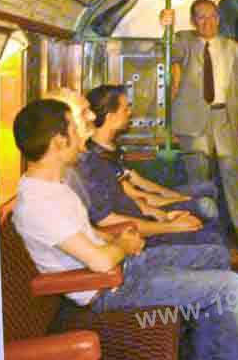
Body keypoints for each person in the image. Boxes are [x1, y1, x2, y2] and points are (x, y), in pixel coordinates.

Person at [12, 99, 238, 360]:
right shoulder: (40, 203)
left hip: (122, 267)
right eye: (72, 127)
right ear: (58, 141)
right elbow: (101, 261)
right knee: (230, 287)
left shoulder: (52, 186)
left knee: (216, 256)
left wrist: (120, 238)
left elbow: (85, 235)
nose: (81, 131)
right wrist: (123, 245)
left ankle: (205, 349)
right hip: (107, 290)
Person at [46, 87, 225, 248]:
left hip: (139, 223)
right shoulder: (77, 171)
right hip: (135, 235)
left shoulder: (90, 159)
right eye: (85, 113)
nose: (93, 116)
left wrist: (164, 215)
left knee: (207, 205)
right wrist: (168, 223)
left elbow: (128, 197)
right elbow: (107, 222)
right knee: (208, 217)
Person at [160, 0, 238, 248]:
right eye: (201, 17)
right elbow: (168, 52)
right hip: (193, 120)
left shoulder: (233, 49)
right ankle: (202, 235)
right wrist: (166, 28)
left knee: (235, 176)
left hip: (224, 118)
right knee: (198, 182)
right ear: (194, 21)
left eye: (212, 16)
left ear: (219, 18)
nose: (208, 22)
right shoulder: (184, 42)